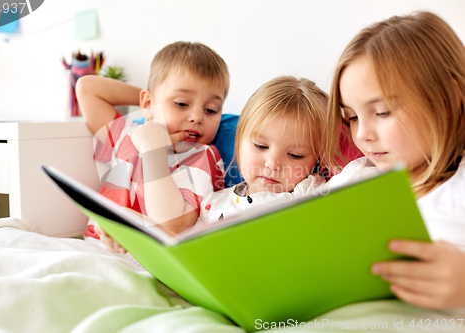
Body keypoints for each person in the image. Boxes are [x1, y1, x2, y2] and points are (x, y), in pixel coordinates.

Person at [324, 11, 465, 309]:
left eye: (383, 111)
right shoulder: (354, 177)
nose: (362, 135)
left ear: (449, 100)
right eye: (351, 117)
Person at [76, 41, 230, 254]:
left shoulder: (202, 156)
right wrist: (151, 101)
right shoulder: (130, 135)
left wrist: (153, 151)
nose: (197, 117)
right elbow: (87, 88)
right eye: (181, 103)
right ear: (148, 104)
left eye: (211, 110)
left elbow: (171, 228)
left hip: (143, 258)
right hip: (91, 246)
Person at [194, 76, 328, 226]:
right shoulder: (212, 204)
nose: (272, 164)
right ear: (238, 142)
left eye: (295, 155)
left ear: (317, 161)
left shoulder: (309, 194)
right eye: (260, 146)